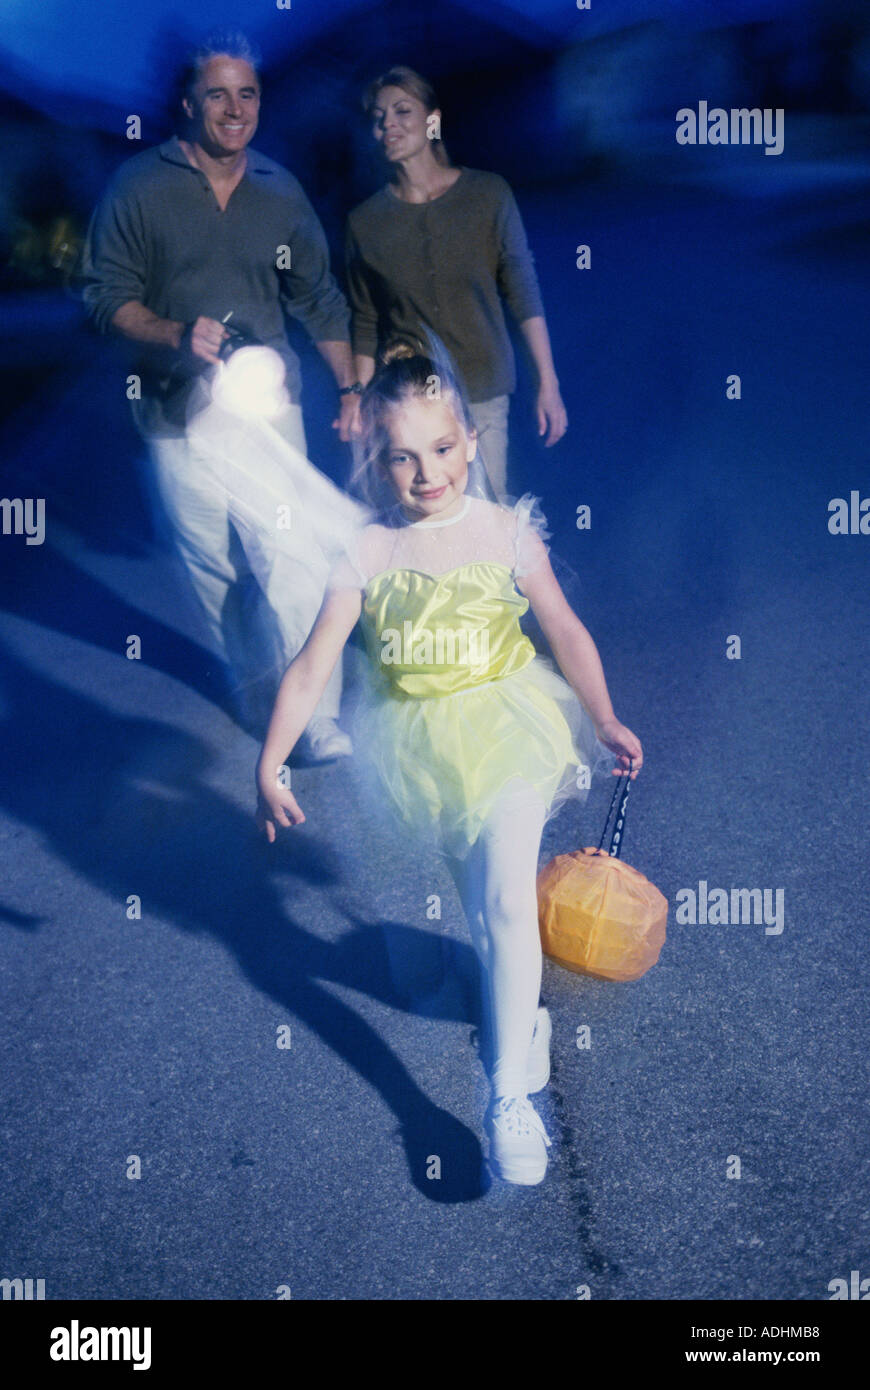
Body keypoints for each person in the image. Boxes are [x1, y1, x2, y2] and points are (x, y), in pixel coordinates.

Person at [254, 343, 643, 1186]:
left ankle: (506, 1097)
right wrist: (272, 761)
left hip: (509, 727)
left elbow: (565, 629)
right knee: (480, 909)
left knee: (507, 895)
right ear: (379, 462)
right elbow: (313, 664)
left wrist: (605, 714)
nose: (426, 473)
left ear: (469, 439)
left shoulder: (504, 530)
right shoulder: (365, 553)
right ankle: (525, 1019)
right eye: (402, 456)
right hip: (423, 751)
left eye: (440, 449)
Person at [81, 29, 364, 756]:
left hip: (267, 409)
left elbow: (320, 300)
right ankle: (259, 686)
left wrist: (352, 388)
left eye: (248, 94)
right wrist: (177, 333)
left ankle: (314, 715)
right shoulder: (138, 187)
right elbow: (103, 300)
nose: (235, 109)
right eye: (218, 94)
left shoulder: (280, 190)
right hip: (173, 416)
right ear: (188, 102)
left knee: (292, 555)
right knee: (220, 572)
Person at [344, 66, 568, 501]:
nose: (388, 123)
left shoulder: (487, 194)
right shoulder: (364, 222)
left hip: (482, 386)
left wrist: (548, 380)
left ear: (432, 120)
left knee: (486, 510)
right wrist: (359, 400)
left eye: (402, 110)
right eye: (379, 116)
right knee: (423, 514)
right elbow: (366, 320)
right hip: (407, 394)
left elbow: (522, 290)